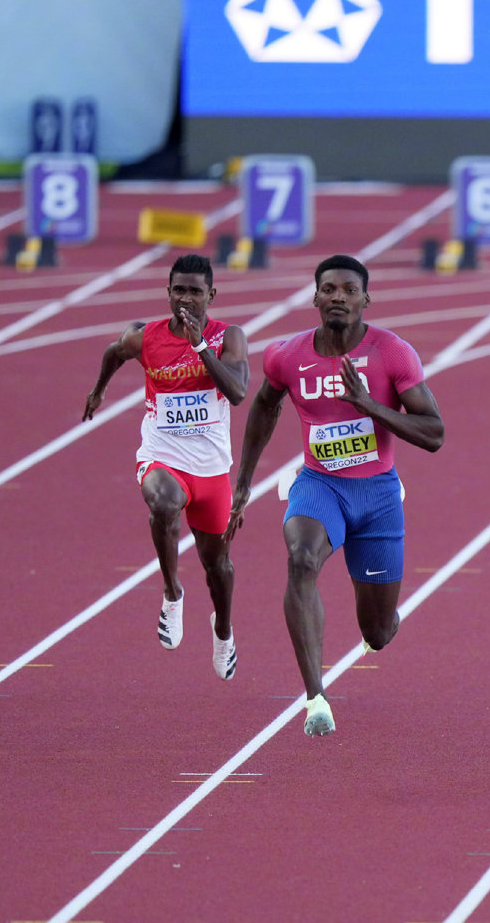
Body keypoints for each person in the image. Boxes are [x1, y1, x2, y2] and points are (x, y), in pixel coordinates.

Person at [227, 255, 443, 736]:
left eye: (349, 289)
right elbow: (264, 405)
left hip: (378, 494)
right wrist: (243, 482)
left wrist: (368, 405)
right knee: (301, 558)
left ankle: (379, 623)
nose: (338, 297)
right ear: (315, 297)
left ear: (366, 298)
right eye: (329, 289)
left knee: (378, 633)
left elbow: (434, 433)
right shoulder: (287, 355)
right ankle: (315, 697)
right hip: (319, 483)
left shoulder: (392, 353)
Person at [83, 254, 248, 679]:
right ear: (168, 292)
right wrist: (99, 390)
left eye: (195, 291)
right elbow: (114, 352)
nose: (186, 299)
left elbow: (237, 392)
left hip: (211, 469)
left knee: (218, 567)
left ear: (211, 295)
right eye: (179, 290)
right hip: (163, 455)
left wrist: (199, 346)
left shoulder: (228, 337)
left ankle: (223, 630)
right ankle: (172, 593)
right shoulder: (145, 337)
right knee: (162, 502)